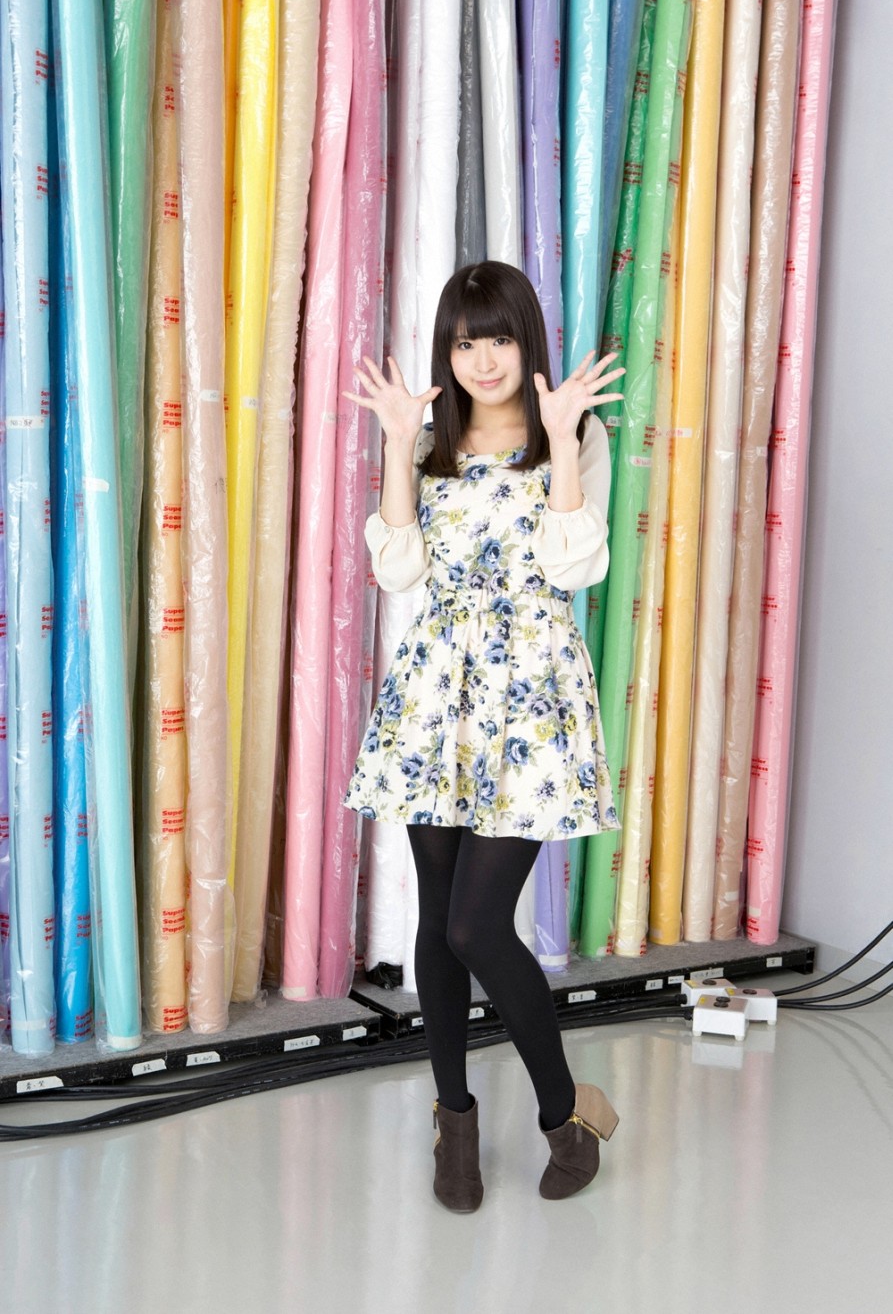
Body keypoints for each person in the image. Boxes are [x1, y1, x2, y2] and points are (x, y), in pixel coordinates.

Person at [342, 261, 624, 1213]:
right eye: (466, 342)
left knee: (475, 924)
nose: (484, 359)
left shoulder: (571, 432)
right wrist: (395, 447)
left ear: (525, 340)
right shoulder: (430, 443)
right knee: (437, 922)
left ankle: (563, 1114)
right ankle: (452, 1123)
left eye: (499, 337)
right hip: (435, 698)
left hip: (533, 698)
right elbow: (397, 571)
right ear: (447, 352)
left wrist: (563, 443)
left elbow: (573, 567)